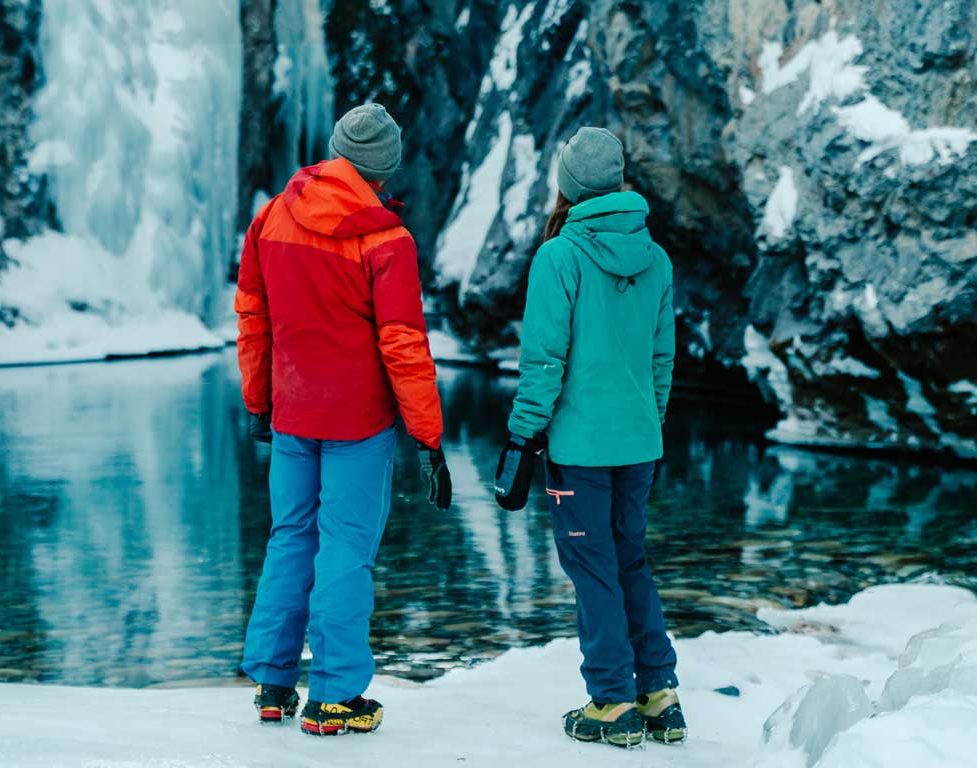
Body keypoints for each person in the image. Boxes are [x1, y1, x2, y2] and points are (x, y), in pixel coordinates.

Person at [235, 103, 452, 736]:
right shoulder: (386, 240)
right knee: (347, 550)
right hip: (358, 422)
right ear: (385, 166)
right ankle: (334, 696)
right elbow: (404, 343)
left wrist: (258, 401)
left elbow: (253, 318)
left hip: (292, 414)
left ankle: (274, 684)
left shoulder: (271, 217)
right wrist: (429, 438)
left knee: (290, 537)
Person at [495, 127, 685, 748]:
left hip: (578, 449)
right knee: (630, 558)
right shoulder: (656, 258)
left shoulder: (559, 256)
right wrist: (647, 421)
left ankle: (611, 702)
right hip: (638, 442)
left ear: (570, 184)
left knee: (592, 566)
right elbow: (662, 360)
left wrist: (522, 434)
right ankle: (659, 694)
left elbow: (544, 361)